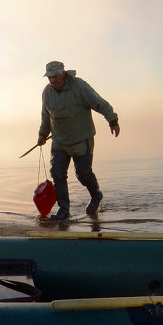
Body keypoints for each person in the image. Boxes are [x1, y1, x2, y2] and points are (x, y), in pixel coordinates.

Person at [37, 61, 120, 221]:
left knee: (83, 174)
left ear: (63, 74)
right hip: (60, 142)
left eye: (55, 76)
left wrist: (113, 120)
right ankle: (64, 210)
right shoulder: (47, 92)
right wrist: (42, 133)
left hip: (82, 139)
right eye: (49, 77)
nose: (52, 80)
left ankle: (96, 195)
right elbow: (46, 116)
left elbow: (99, 103)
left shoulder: (79, 86)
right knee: (57, 173)